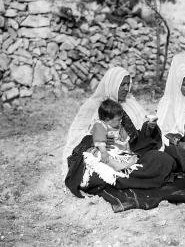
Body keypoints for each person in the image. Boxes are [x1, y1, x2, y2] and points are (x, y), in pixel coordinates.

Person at [63, 67, 176, 198]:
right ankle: (129, 174)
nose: (126, 88)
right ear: (113, 84)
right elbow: (87, 137)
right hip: (110, 151)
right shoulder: (98, 107)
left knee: (165, 160)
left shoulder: (131, 103)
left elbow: (136, 135)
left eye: (128, 84)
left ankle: (131, 173)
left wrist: (149, 127)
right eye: (122, 84)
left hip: (134, 151)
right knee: (101, 173)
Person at [90, 98, 138, 171]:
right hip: (103, 149)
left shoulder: (119, 127)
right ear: (107, 119)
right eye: (118, 119)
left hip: (116, 150)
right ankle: (117, 166)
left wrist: (129, 152)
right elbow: (100, 141)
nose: (121, 121)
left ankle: (127, 163)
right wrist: (103, 152)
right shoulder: (100, 125)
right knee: (100, 155)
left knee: (127, 155)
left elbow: (126, 141)